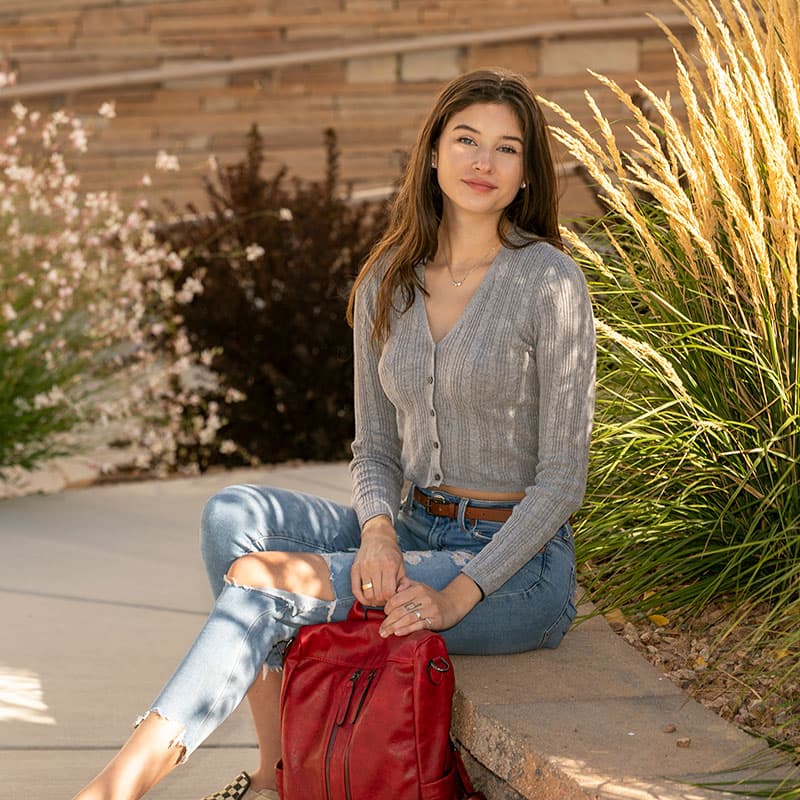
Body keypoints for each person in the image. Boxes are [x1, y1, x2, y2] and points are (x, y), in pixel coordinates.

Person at [72, 67, 595, 800]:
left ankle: (113, 789)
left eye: (506, 149)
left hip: (517, 567)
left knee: (261, 587)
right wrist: (378, 532)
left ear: (527, 176)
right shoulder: (387, 279)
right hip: (415, 525)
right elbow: (375, 449)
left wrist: (458, 595)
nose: (483, 162)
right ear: (434, 155)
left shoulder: (549, 282)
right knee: (234, 517)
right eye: (466, 139)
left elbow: (564, 478)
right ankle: (283, 767)